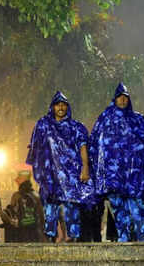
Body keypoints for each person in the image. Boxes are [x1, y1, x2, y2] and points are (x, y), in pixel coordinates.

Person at [89, 82, 144, 242]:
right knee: (119, 213)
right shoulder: (105, 120)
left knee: (139, 212)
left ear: (129, 99)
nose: (123, 100)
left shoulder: (138, 120)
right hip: (113, 179)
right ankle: (123, 243)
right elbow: (94, 145)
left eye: (125, 97)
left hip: (135, 180)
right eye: (120, 97)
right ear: (115, 99)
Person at [26, 91, 95, 242]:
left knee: (72, 209)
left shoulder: (76, 127)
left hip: (71, 176)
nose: (61, 107)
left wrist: (85, 168)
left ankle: (73, 240)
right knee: (50, 209)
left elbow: (83, 147)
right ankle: (51, 239)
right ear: (53, 107)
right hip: (51, 176)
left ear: (67, 107)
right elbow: (36, 148)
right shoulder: (43, 125)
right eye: (58, 104)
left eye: (64, 104)